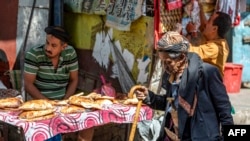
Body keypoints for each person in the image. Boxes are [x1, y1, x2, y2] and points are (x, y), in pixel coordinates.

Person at [134, 31, 234, 141]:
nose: (165, 67)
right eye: (162, 62)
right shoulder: (170, 76)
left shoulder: (207, 73)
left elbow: (224, 109)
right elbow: (170, 104)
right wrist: (149, 97)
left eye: (168, 62)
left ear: (181, 57)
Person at [24, 26, 94, 141]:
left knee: (89, 121)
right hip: (40, 106)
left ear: (64, 47)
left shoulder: (70, 53)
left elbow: (74, 80)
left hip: (63, 104)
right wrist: (49, 104)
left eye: (53, 45)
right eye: (47, 43)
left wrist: (65, 102)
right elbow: (28, 84)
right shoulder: (34, 55)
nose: (48, 48)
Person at [186, 8, 232, 77]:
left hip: (209, 86)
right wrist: (200, 7)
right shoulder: (217, 40)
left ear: (214, 29)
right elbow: (203, 25)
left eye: (209, 21)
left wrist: (190, 32)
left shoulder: (215, 48)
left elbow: (190, 51)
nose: (206, 23)